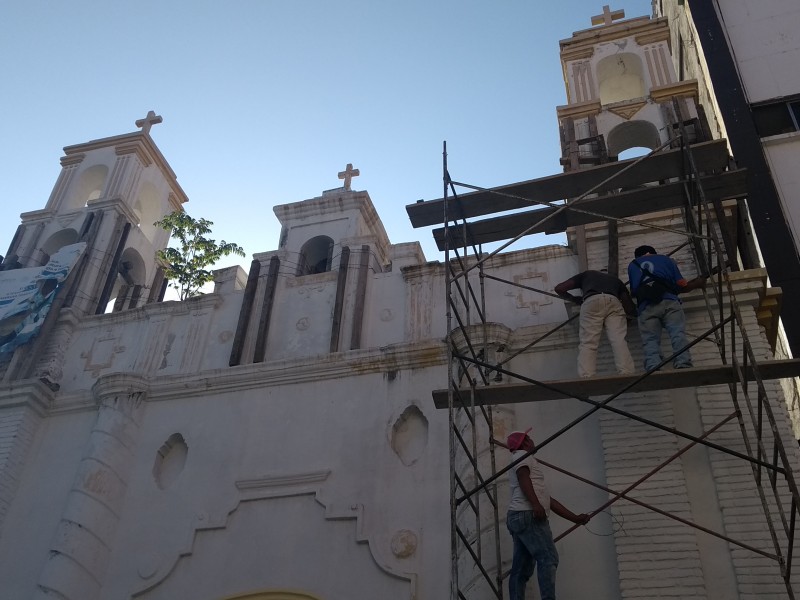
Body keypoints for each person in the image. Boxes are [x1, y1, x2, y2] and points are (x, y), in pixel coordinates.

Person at [506, 429, 589, 600]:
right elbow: (523, 478)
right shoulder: (522, 455)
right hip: (528, 515)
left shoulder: (523, 459)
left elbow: (548, 500)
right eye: (529, 438)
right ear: (525, 442)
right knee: (548, 558)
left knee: (521, 569)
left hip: (519, 516)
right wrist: (536, 505)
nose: (532, 440)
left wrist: (575, 518)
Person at [627, 245, 707, 370]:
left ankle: (653, 366)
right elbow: (682, 284)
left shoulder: (632, 265)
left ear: (638, 256)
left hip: (646, 306)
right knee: (677, 333)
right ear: (653, 253)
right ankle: (683, 363)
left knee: (650, 339)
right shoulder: (666, 260)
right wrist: (698, 283)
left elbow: (633, 291)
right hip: (669, 301)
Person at [554, 269, 636, 378]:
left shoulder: (587, 274)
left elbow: (559, 288)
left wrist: (574, 299)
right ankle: (627, 372)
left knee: (588, 342)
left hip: (592, 300)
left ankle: (587, 375)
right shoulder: (616, 280)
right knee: (618, 340)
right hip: (613, 301)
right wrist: (627, 321)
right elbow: (629, 307)